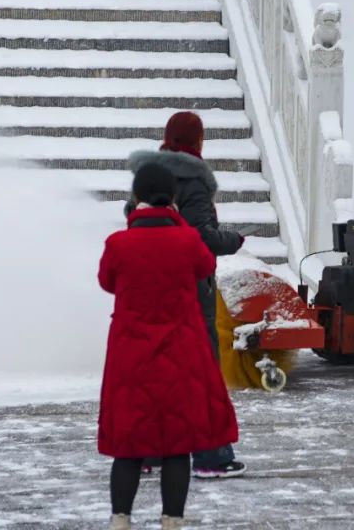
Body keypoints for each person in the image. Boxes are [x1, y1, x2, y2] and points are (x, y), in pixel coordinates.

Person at [97, 162, 239, 530]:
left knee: (129, 444)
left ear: (137, 197)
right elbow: (205, 265)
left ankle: (120, 519)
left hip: (131, 356)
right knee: (178, 444)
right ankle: (172, 520)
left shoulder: (119, 243)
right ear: (172, 198)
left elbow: (107, 281)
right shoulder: (187, 239)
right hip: (181, 352)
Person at [128, 111, 247, 478]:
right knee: (200, 372)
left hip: (150, 287)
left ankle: (149, 452)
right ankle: (211, 456)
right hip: (189, 290)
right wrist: (233, 240)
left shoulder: (145, 177)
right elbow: (200, 238)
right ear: (197, 141)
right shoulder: (193, 180)